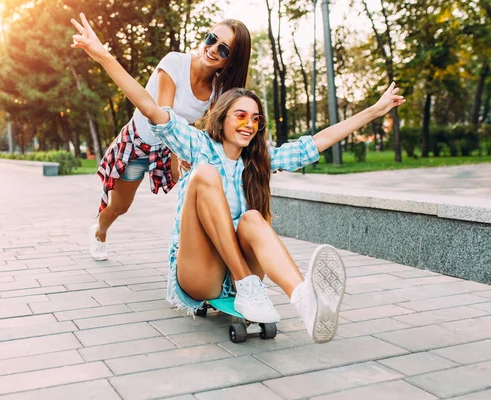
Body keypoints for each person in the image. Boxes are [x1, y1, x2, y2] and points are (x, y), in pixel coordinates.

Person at [71, 13, 406, 343]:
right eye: (240, 116)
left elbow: (314, 143)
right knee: (204, 174)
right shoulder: (196, 144)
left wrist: (374, 110)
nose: (248, 124)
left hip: (234, 272)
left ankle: (307, 302)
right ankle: (247, 285)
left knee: (252, 218)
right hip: (199, 273)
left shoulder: (258, 158)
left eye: (255, 120)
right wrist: (102, 55)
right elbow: (147, 103)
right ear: (222, 118)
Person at [87, 16, 252, 261]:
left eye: (224, 49)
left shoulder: (219, 90)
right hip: (139, 144)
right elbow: (166, 118)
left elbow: (219, 129)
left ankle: (201, 258)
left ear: (232, 60)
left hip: (170, 149)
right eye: (212, 39)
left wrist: (256, 155)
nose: (213, 49)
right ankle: (99, 231)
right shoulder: (174, 62)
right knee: (120, 206)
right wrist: (181, 154)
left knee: (196, 192)